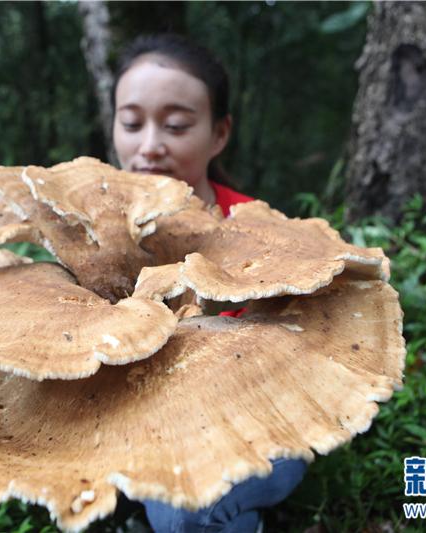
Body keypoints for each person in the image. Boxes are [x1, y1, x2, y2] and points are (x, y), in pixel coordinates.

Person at [111, 34, 308, 532]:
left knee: (185, 509)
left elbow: (302, 357)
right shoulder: (92, 230)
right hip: (131, 419)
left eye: (176, 125)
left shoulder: (259, 229)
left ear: (219, 134)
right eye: (131, 123)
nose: (149, 146)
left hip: (253, 421)